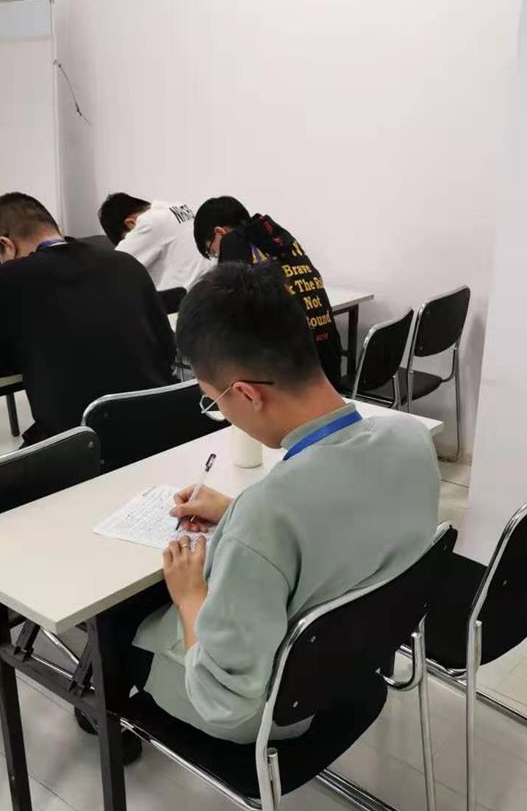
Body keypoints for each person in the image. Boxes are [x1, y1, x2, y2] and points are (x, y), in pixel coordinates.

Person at [123, 262, 440, 744]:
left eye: (215, 402)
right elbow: (344, 516)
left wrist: (190, 596)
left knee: (120, 622)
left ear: (246, 394)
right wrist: (236, 513)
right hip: (356, 664)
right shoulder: (411, 439)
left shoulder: (267, 514)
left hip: (271, 715)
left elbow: (224, 702)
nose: (222, 413)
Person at [0, 192, 177, 445]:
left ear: (6, 246)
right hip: (163, 428)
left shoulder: (9, 278)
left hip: (86, 443)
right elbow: (166, 346)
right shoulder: (126, 263)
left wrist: (28, 352)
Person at [193, 196, 344, 388]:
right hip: (328, 369)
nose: (217, 257)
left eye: (212, 251)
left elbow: (224, 314)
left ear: (219, 232)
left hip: (290, 379)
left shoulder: (233, 241)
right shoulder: (279, 237)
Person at [98, 192, 211, 293]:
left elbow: (111, 270)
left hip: (185, 301)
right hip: (210, 288)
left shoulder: (149, 222)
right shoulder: (178, 208)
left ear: (131, 224)